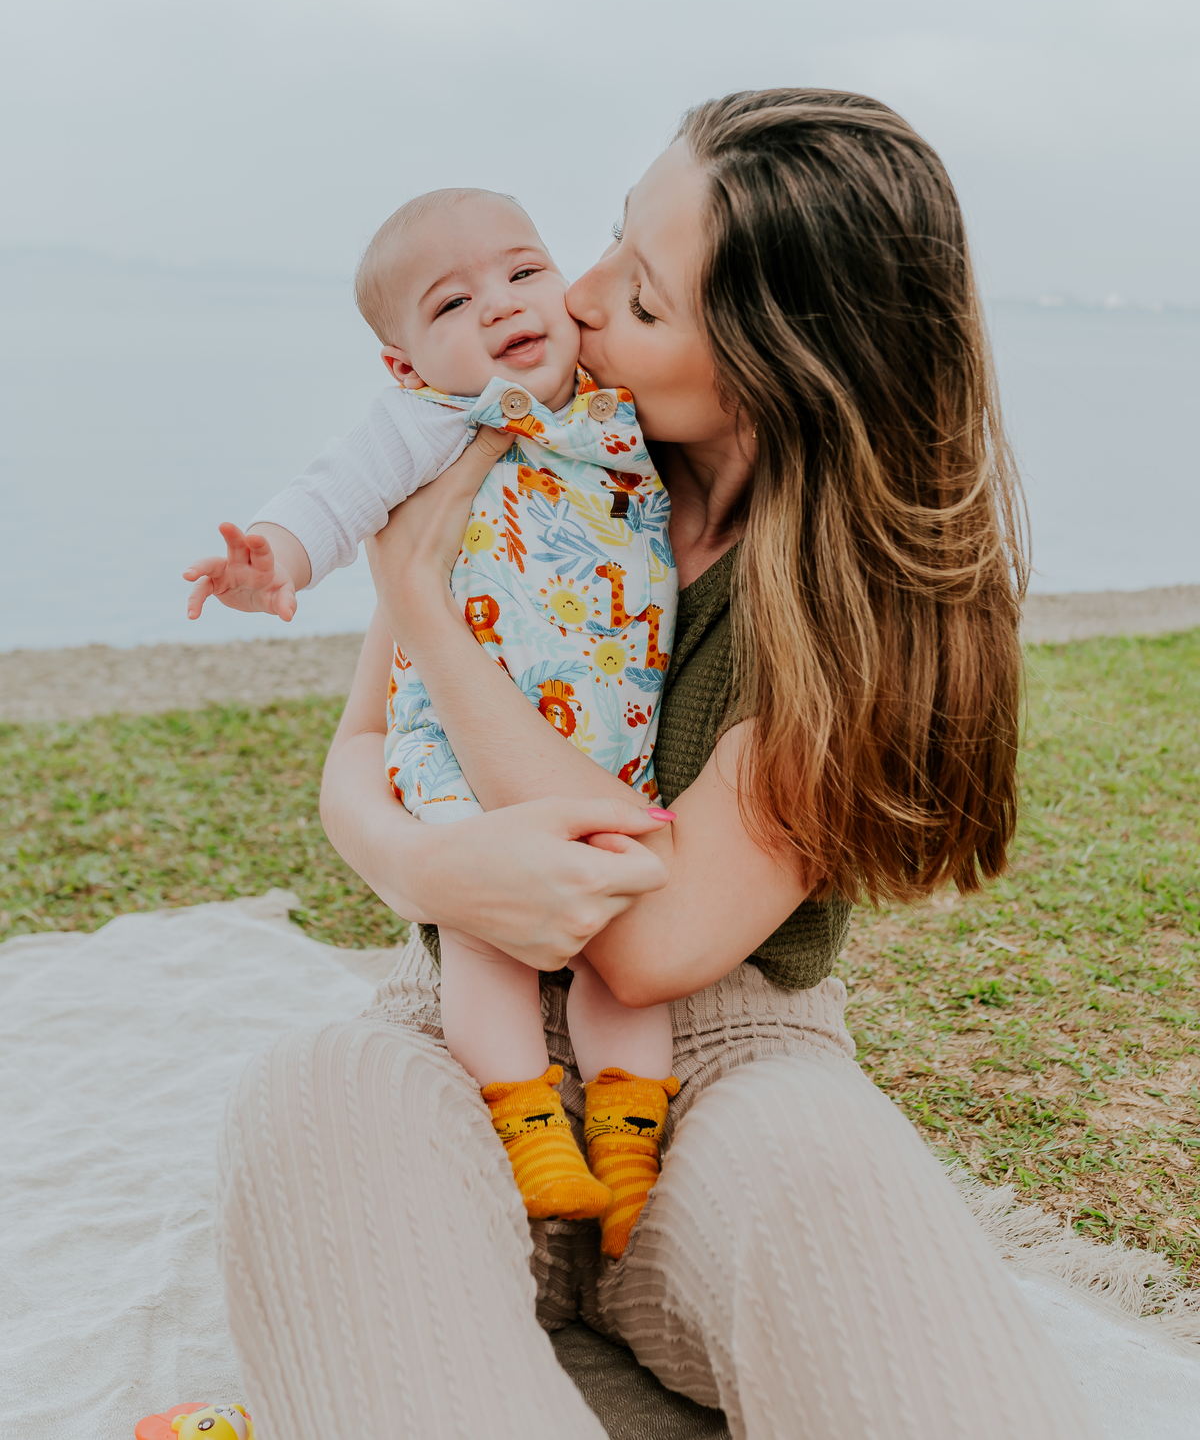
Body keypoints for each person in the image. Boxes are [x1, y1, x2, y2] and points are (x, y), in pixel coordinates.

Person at [217, 90, 1098, 1440]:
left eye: (639, 295)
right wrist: (422, 861)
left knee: (844, 1216)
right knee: (313, 1102)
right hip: (460, 1025)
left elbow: (644, 939)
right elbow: (360, 754)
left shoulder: (868, 597)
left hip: (725, 1070)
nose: (570, 296)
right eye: (611, 237)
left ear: (774, 364)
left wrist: (429, 610)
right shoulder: (515, 448)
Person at [185, 188, 681, 1250]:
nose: (500, 305)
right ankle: (532, 1127)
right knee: (485, 935)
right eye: (453, 302)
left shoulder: (615, 404)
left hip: (605, 748)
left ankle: (631, 1136)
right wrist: (273, 555)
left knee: (624, 951)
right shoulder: (429, 424)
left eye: (522, 270)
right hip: (463, 745)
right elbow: (334, 491)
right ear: (406, 363)